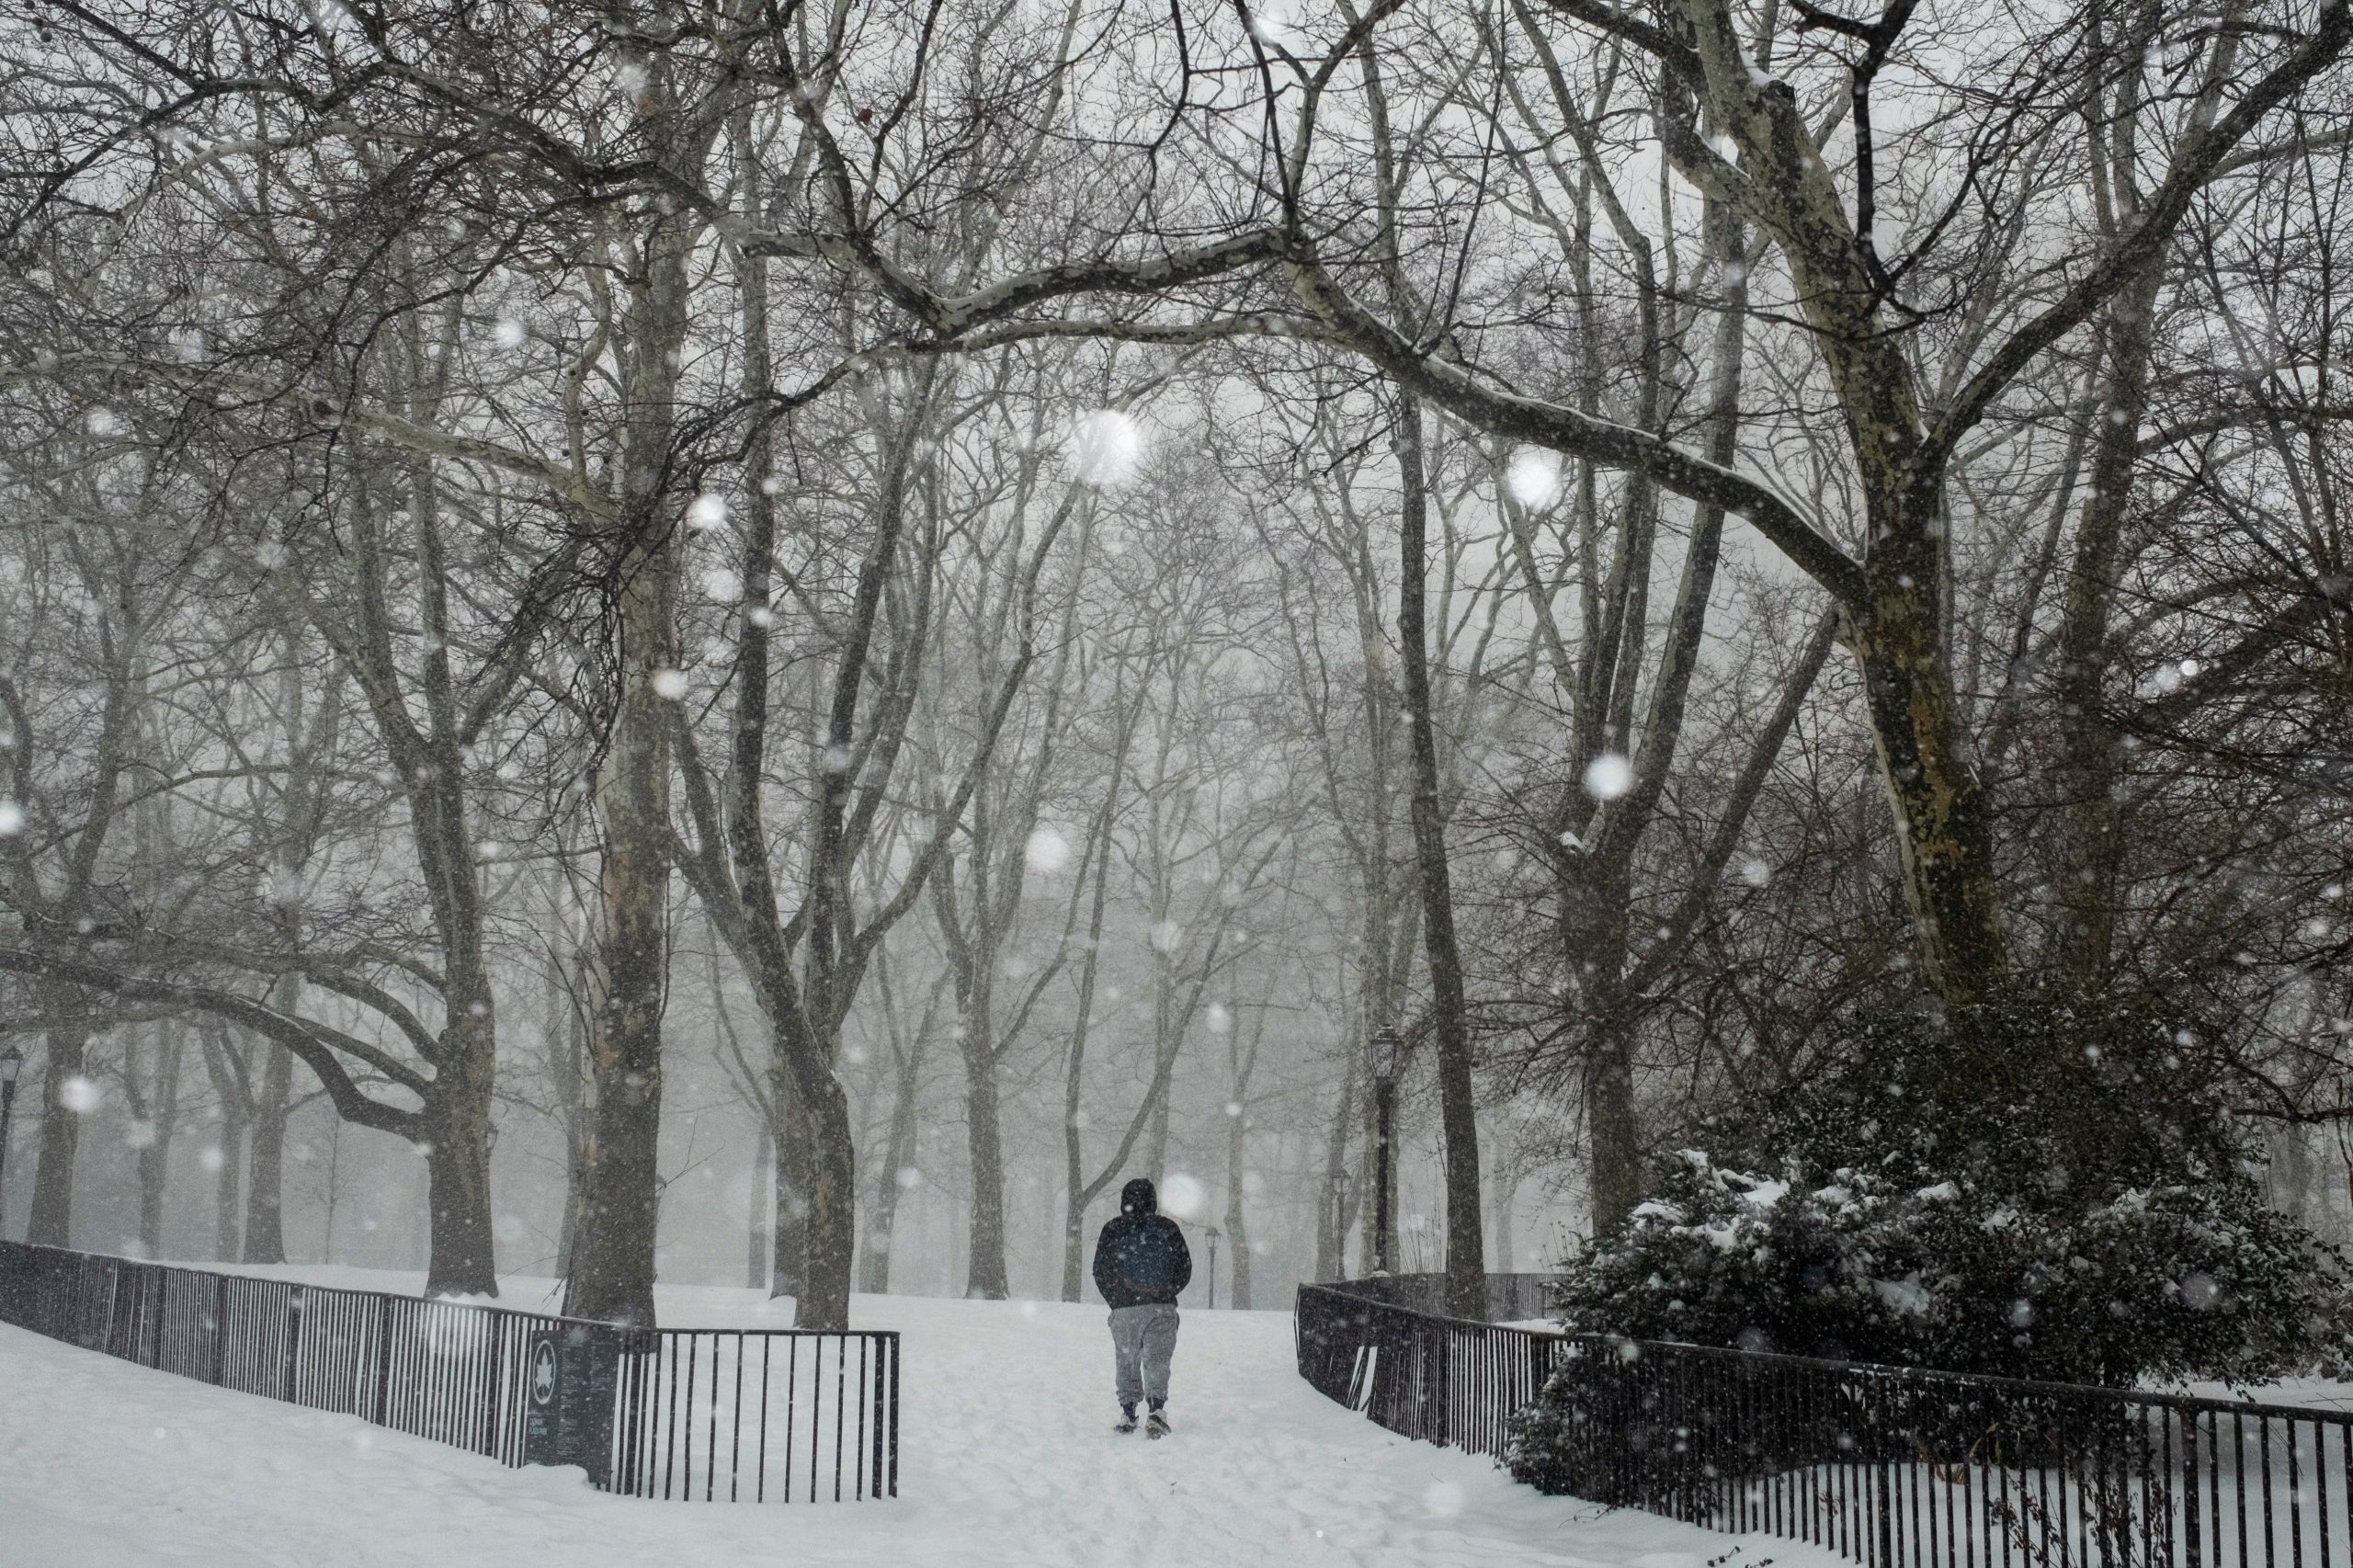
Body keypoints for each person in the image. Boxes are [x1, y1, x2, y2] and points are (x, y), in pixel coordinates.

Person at [1090, 1176, 1192, 1437]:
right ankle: (1157, 1410)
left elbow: (1100, 1270)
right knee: (1158, 1360)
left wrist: (1117, 1299)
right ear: (1154, 1202)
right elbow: (1184, 1267)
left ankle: (1128, 1411)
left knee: (1127, 1359)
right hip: (1161, 1308)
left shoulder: (1112, 1230)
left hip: (1125, 1309)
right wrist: (1166, 1290)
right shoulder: (1167, 1228)